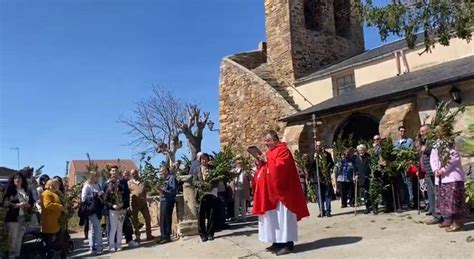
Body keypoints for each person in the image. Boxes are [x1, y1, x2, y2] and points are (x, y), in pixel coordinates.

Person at [253, 130, 310, 256]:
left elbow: (281, 167)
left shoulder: (283, 150)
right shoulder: (269, 152)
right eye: (265, 140)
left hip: (283, 193)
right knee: (274, 219)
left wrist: (267, 159)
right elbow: (265, 168)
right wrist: (260, 162)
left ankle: (288, 244)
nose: (265, 143)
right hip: (270, 193)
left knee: (283, 219)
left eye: (268, 140)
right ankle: (277, 242)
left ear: (275, 140)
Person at [430, 134, 468, 231]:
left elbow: (453, 158)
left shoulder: (450, 143)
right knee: (445, 201)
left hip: (452, 177)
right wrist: (435, 170)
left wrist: (442, 170)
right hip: (441, 178)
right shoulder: (436, 144)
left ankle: (457, 222)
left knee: (454, 201)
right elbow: (433, 158)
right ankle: (448, 220)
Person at [3, 172, 35, 258]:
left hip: (24, 218)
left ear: (22, 180)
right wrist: (17, 205)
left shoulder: (26, 191)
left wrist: (29, 205)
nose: (18, 180)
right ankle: (11, 257)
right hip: (13, 218)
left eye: (19, 178)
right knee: (12, 240)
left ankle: (17, 256)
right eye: (15, 178)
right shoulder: (10, 191)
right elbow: (5, 203)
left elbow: (32, 202)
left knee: (19, 239)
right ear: (13, 180)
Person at [194, 153, 219, 242]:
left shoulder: (213, 168)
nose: (204, 161)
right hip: (201, 195)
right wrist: (202, 185)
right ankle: (202, 234)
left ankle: (210, 233)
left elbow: (217, 180)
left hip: (211, 194)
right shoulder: (196, 169)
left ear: (208, 160)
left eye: (206, 159)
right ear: (200, 160)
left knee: (211, 214)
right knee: (201, 215)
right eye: (202, 159)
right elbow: (194, 181)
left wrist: (210, 186)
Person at [81, 171, 104, 255]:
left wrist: (101, 195)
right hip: (91, 210)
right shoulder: (87, 186)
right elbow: (83, 199)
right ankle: (99, 246)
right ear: (91, 177)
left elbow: (102, 196)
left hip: (98, 208)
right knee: (97, 227)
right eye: (96, 176)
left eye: (98, 176)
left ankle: (92, 246)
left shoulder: (98, 185)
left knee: (94, 228)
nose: (97, 178)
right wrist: (95, 195)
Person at [128, 169, 154, 242]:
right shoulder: (129, 183)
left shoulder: (143, 181)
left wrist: (146, 189)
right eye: (133, 174)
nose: (135, 175)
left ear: (138, 173)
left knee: (148, 218)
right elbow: (127, 192)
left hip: (143, 203)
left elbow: (150, 188)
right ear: (131, 175)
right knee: (135, 221)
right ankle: (137, 236)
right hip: (134, 204)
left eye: (135, 173)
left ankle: (149, 235)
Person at [40, 179, 64, 258]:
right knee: (48, 243)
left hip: (55, 222)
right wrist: (59, 207)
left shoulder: (54, 193)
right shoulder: (46, 193)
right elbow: (47, 205)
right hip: (49, 222)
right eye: (56, 184)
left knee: (54, 242)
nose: (58, 185)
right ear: (51, 185)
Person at [394, 125, 416, 208]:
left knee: (408, 182)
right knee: (403, 183)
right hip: (399, 165)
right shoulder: (396, 143)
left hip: (407, 164)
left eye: (403, 131)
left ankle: (411, 200)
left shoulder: (409, 141)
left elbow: (411, 151)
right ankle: (405, 200)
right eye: (401, 131)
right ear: (399, 132)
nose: (402, 132)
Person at [104, 170, 126, 252]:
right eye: (114, 179)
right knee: (113, 228)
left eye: (117, 179)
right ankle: (112, 245)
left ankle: (119, 244)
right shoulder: (109, 189)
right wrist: (112, 205)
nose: (116, 181)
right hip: (112, 211)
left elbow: (125, 198)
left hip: (121, 210)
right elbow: (105, 200)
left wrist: (122, 204)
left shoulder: (121, 188)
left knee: (120, 228)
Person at [313, 141, 335, 217]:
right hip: (317, 179)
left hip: (325, 178)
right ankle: (322, 211)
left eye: (320, 145)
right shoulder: (314, 155)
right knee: (319, 195)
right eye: (317, 146)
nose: (318, 147)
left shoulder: (327, 155)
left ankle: (328, 211)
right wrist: (314, 159)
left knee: (327, 195)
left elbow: (332, 164)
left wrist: (328, 169)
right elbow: (311, 167)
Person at [158, 166, 178, 244]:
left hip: (168, 200)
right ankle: (163, 236)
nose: (160, 174)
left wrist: (163, 190)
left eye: (161, 172)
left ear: (166, 171)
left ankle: (166, 237)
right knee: (162, 219)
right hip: (163, 200)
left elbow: (173, 190)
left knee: (166, 219)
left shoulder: (172, 178)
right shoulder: (163, 180)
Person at [230, 157, 251, 221]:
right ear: (236, 163)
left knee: (243, 204)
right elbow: (231, 177)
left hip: (243, 189)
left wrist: (247, 174)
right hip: (236, 189)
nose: (240, 164)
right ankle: (236, 217)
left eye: (241, 163)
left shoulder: (245, 171)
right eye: (238, 163)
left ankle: (244, 217)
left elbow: (249, 178)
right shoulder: (234, 170)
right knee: (236, 204)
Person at [121, 170, 138, 248]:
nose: (126, 175)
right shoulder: (121, 182)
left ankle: (129, 240)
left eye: (128, 174)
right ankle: (116, 243)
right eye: (125, 174)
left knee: (127, 224)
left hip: (126, 207)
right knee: (124, 225)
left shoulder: (127, 182)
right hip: (120, 207)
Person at [354, 144, 372, 214]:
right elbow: (355, 168)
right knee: (364, 194)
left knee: (370, 192)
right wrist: (356, 175)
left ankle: (373, 206)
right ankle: (367, 207)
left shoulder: (368, 157)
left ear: (364, 150)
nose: (361, 152)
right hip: (361, 178)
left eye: (362, 150)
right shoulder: (357, 158)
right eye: (359, 150)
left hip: (369, 177)